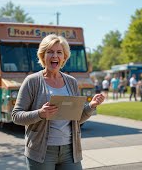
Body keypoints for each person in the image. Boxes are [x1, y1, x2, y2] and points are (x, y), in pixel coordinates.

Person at [11, 34, 105, 170]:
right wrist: (40, 114)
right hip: (41, 152)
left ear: (64, 57)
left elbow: (76, 119)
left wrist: (91, 106)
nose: (55, 55)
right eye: (50, 52)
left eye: (59, 52)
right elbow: (16, 116)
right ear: (43, 56)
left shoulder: (71, 82)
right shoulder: (32, 81)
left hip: (70, 151)